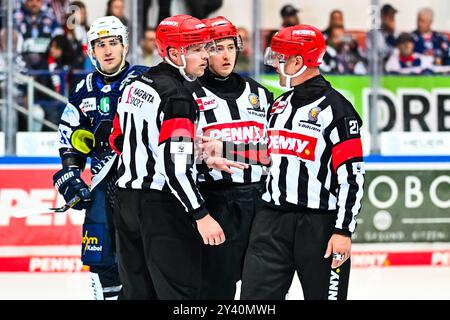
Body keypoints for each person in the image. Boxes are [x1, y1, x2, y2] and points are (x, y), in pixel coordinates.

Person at [206, 24, 364, 300]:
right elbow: (270, 153)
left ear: (298, 61)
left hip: (319, 227)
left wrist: (343, 231)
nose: (275, 64)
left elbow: (351, 178)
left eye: (280, 58)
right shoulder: (280, 105)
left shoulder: (338, 111)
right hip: (270, 222)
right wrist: (224, 149)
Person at [109, 14, 243, 299]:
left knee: (137, 293)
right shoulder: (178, 97)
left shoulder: (136, 84)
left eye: (206, 47)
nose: (205, 56)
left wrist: (197, 153)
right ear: (173, 52)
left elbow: (119, 140)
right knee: (180, 295)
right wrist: (201, 215)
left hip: (125, 203)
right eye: (196, 49)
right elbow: (175, 170)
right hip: (161, 209)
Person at [52, 16, 149, 300]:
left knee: (143, 261)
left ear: (124, 46)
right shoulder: (83, 89)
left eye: (113, 43)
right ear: (91, 51)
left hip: (140, 189)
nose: (107, 50)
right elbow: (71, 136)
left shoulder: (145, 79)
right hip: (101, 190)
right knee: (100, 261)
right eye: (100, 44)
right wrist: (71, 174)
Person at [184, 16, 273, 299]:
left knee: (262, 287)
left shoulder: (260, 94)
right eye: (216, 48)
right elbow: (175, 154)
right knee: (216, 288)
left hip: (261, 202)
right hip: (214, 201)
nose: (225, 55)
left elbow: (274, 152)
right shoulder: (187, 95)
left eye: (230, 47)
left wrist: (226, 149)